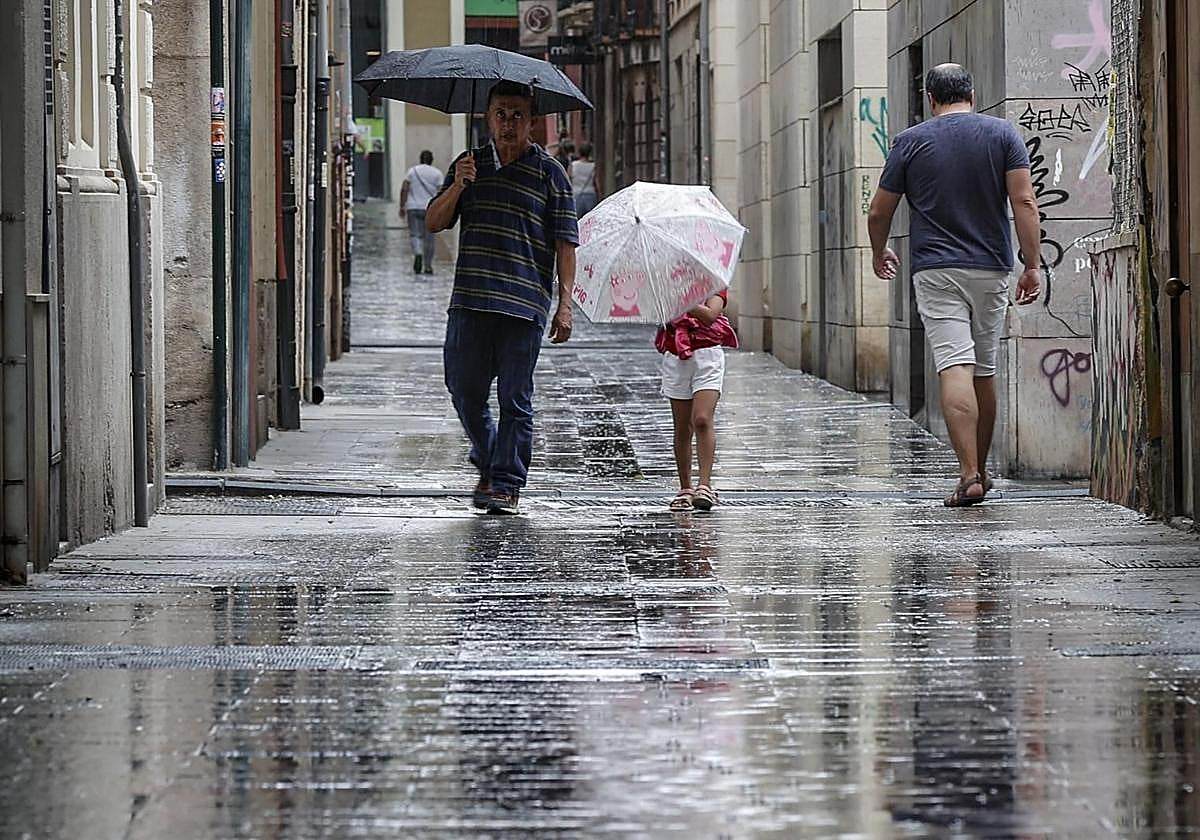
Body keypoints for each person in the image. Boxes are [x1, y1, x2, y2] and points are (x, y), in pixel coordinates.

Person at [867, 63, 1042, 507]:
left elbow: (878, 212)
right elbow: (1023, 200)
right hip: (991, 268)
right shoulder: (1003, 135)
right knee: (984, 369)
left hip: (936, 270)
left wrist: (879, 250)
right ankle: (981, 469)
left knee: (954, 365)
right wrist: (1032, 264)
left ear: (930, 98)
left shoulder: (909, 142)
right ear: (973, 92)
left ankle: (966, 475)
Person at [426, 81, 578, 515]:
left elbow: (566, 244)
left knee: (516, 400)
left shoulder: (551, 174)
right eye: (500, 113)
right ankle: (491, 458)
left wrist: (564, 304)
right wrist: (458, 185)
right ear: (487, 116)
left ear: (532, 121)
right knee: (463, 390)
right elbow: (435, 223)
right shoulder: (468, 164)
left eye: (517, 115)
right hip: (471, 301)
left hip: (524, 303)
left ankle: (506, 483)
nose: (508, 123)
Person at [656, 290, 738, 512]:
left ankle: (704, 485)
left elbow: (711, 315)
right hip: (676, 356)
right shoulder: (666, 285)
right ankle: (685, 488)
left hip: (708, 356)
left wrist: (682, 303)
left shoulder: (714, 283)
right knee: (682, 426)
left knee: (701, 419)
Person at [400, 150, 443, 274]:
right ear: (431, 160)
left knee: (415, 234)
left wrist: (402, 206)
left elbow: (405, 188)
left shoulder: (412, 171)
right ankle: (428, 265)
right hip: (430, 208)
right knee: (430, 238)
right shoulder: (437, 173)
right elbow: (441, 192)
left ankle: (418, 252)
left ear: (420, 159)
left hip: (413, 207)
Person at [568, 142, 600, 217]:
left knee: (576, 221)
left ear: (579, 152)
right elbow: (597, 183)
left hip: (576, 195)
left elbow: (567, 180)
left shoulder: (572, 165)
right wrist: (600, 195)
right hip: (590, 195)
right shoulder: (593, 166)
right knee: (590, 221)